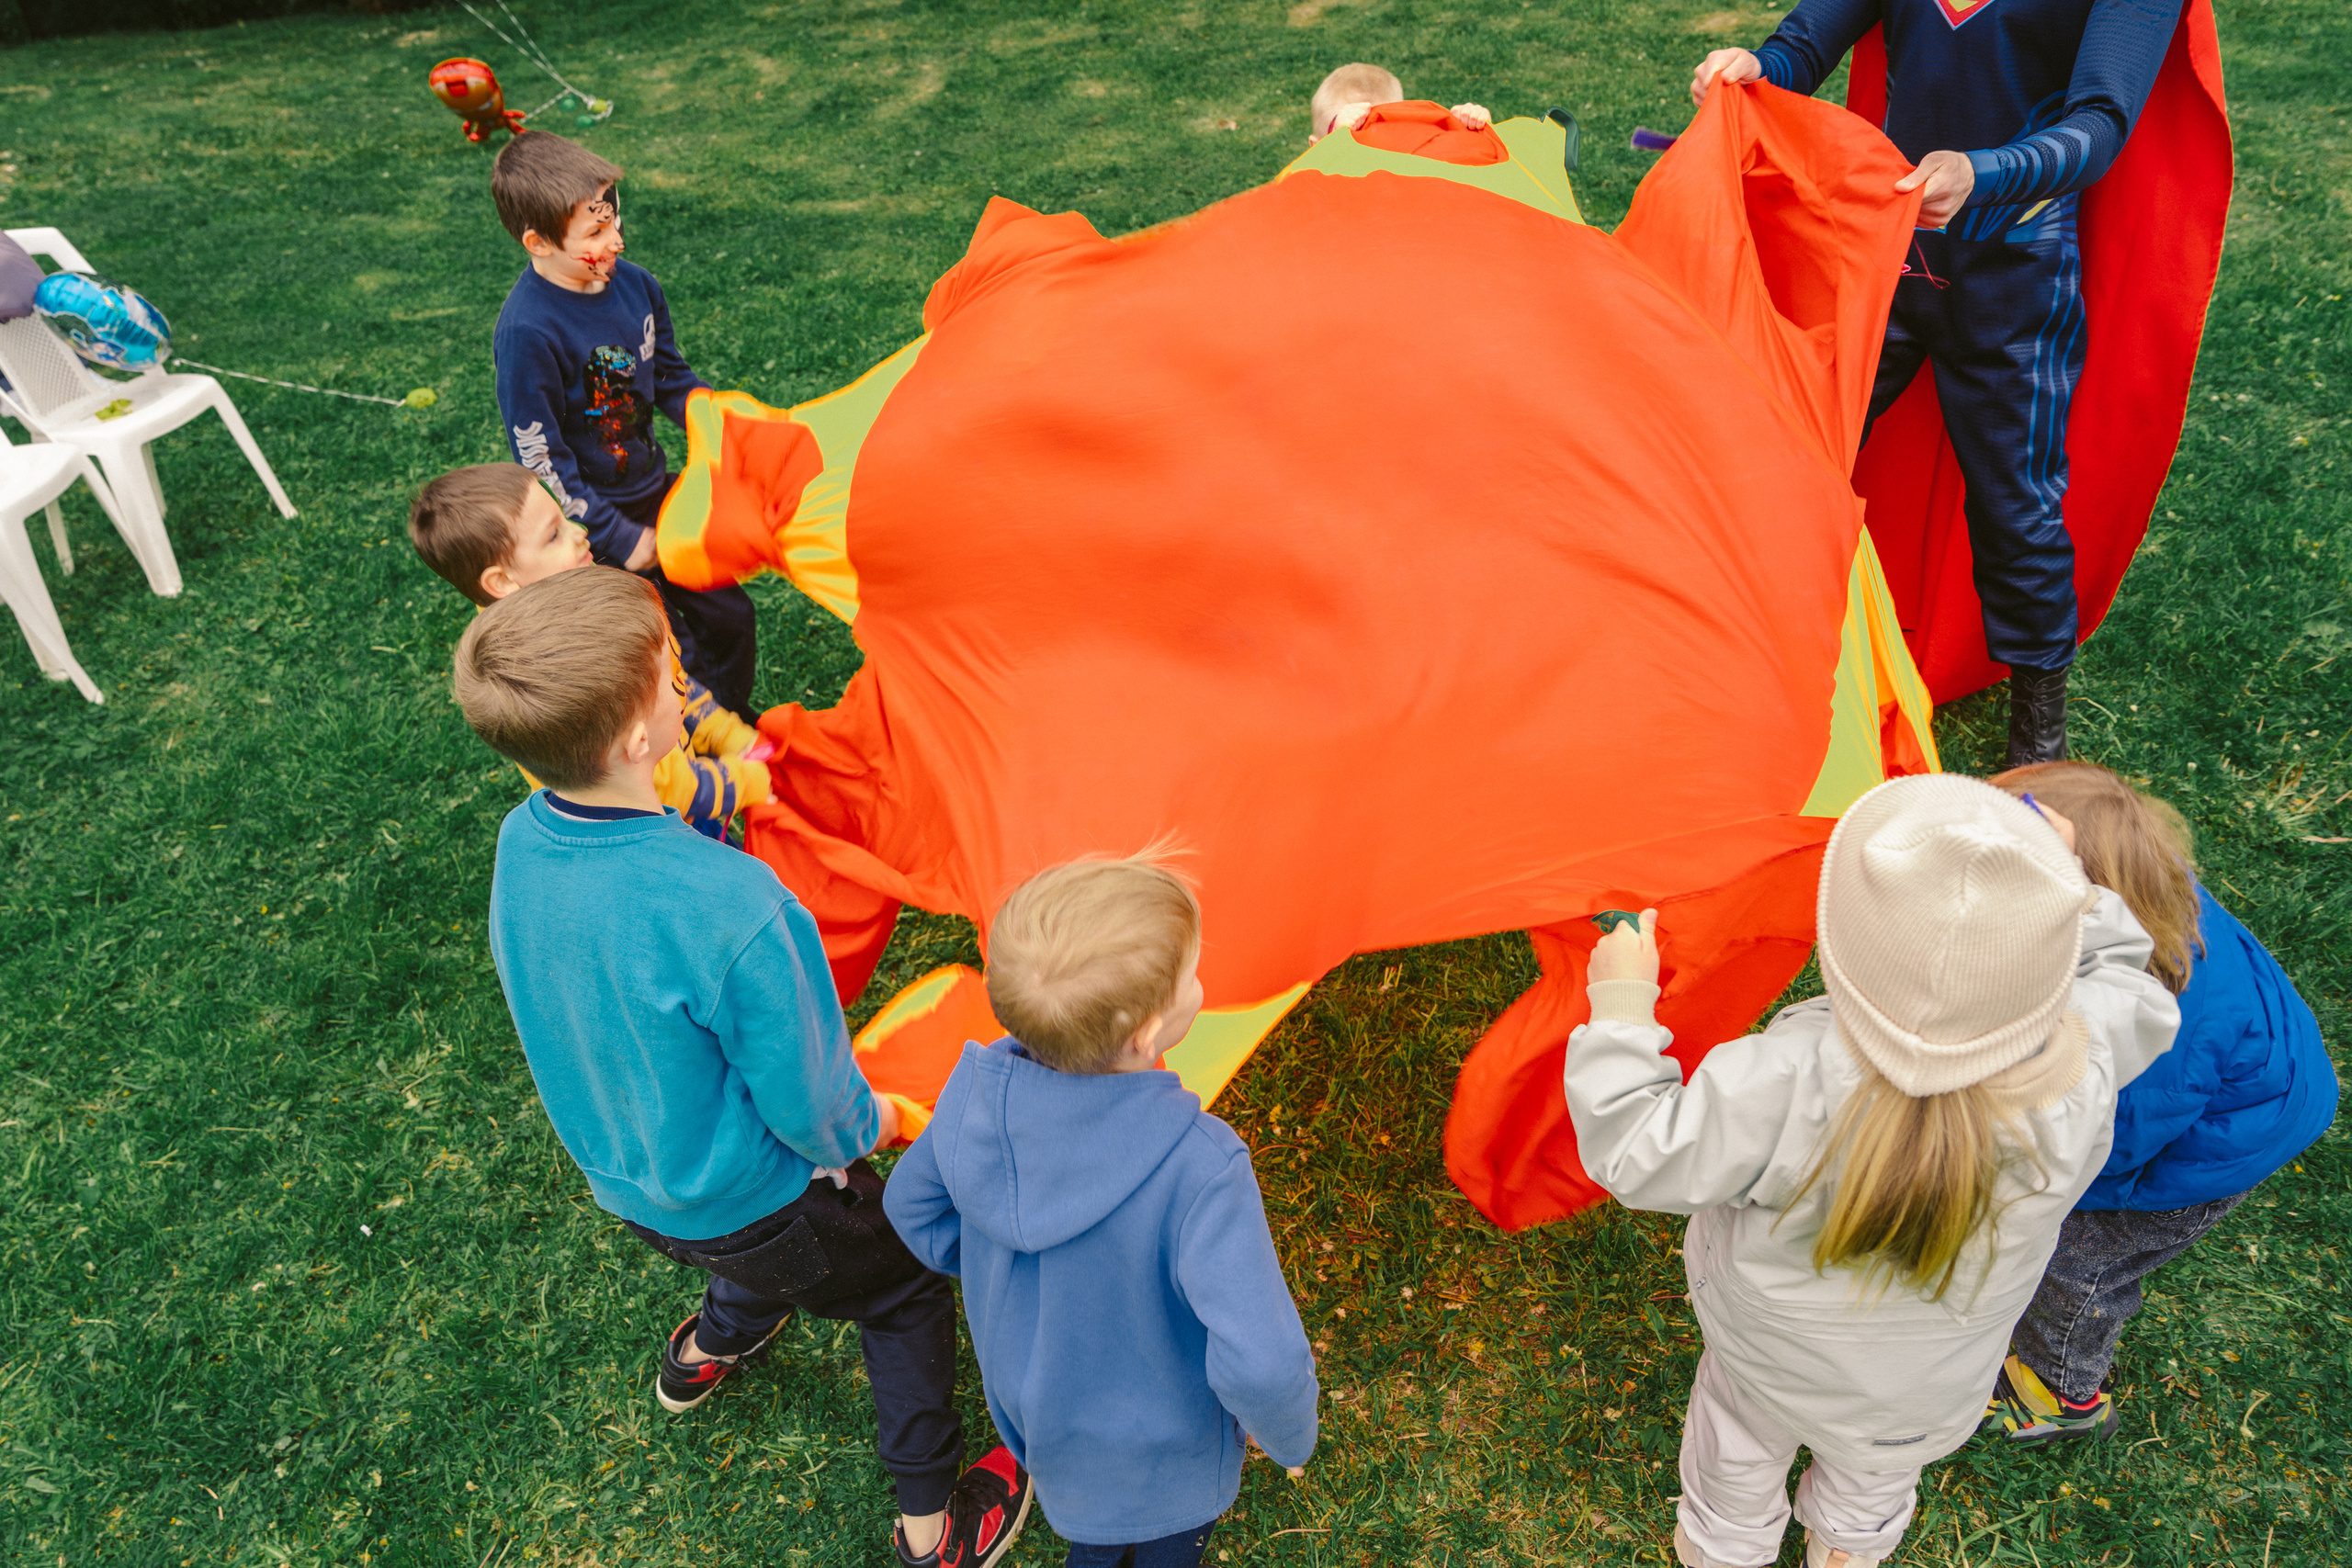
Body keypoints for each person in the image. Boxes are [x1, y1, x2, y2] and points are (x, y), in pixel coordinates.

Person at [454, 566, 1032, 1568]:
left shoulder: (521, 839)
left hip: (634, 1182)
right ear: (640, 739)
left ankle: (707, 1350)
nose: (688, 685)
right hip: (762, 1194)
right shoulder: (736, 903)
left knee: (748, 1256)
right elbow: (813, 1104)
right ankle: (933, 1526)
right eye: (673, 674)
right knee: (895, 1290)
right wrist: (873, 1129)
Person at [1563, 774, 2178, 1568]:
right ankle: (1848, 1550)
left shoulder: (1785, 1077)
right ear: (2050, 961)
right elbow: (2134, 981)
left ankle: (1725, 1549)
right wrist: (2054, 882)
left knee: (1738, 1441)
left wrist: (1620, 999)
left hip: (1770, 1355)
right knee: (1878, 1467)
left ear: (1841, 943)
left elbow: (1637, 1150)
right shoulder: (2081, 1067)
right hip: (1928, 1383)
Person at [1690, 0, 2187, 766]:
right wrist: (1757, 70)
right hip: (1877, 251)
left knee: (2015, 504)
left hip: (2015, 274)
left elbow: (2101, 122)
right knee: (1786, 450)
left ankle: (2038, 733)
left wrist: (1982, 173)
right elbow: (1807, 40)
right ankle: (1742, 651)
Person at [884, 855, 1318, 1568]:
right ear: (1148, 1031)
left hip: (1041, 1422)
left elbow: (911, 1202)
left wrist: (994, 1262)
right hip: (1169, 1457)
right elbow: (1264, 1362)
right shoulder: (1201, 1167)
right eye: (1192, 973)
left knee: (1089, 1542)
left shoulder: (970, 1098)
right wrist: (1289, 1434)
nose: (1201, 980)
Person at [1982, 761, 2337, 1444]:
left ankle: (2062, 1392)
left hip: (2225, 1135)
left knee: (2080, 1259)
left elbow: (2108, 1147)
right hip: (2244, 1079)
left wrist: (2046, 1193)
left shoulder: (2154, 1032)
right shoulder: (2144, 893)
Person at [490, 129, 760, 720]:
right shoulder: (528, 332)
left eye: (612, 219)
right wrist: (617, 537)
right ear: (537, 242)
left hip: (660, 494)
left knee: (731, 616)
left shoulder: (636, 286)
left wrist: (716, 421)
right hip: (595, 530)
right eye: (594, 232)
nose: (617, 238)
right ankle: (691, 763)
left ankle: (731, 720)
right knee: (662, 652)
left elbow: (668, 376)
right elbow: (540, 458)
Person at [410, 461, 770, 839]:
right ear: (503, 581)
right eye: (553, 535)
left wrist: (725, 732)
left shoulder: (588, 597)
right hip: (657, 829)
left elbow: (667, 676)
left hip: (682, 789)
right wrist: (748, 781)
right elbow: (663, 789)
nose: (580, 532)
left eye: (565, 519)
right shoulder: (571, 671)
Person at [1306, 61, 1489, 143]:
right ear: (1313, 148)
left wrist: (1473, 129)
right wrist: (1338, 142)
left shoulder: (1407, 158)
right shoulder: (1311, 191)